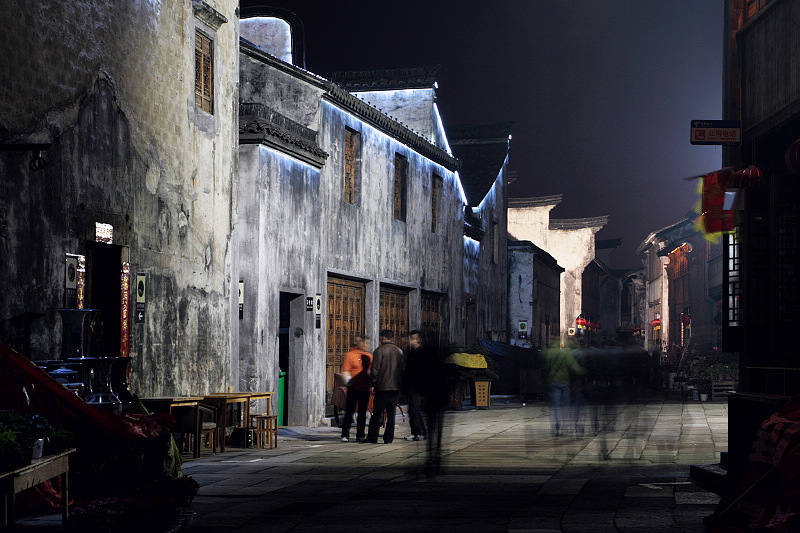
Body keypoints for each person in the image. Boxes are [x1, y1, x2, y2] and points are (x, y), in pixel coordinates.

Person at [364, 330, 404, 444]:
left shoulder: (379, 351)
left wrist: (373, 383)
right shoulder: (399, 351)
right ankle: (388, 438)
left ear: (382, 338)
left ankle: (373, 437)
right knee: (391, 414)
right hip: (395, 387)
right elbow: (402, 370)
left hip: (382, 387)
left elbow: (375, 370)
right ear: (392, 338)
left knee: (377, 413)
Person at [543, 337, 584, 437]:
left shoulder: (549, 353)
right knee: (565, 405)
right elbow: (574, 367)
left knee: (555, 405)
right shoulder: (565, 354)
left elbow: (546, 366)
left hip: (553, 382)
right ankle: (566, 426)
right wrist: (584, 372)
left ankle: (557, 425)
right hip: (564, 381)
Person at [340, 336, 373, 442]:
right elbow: (346, 370)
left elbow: (372, 370)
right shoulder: (350, 355)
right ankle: (345, 434)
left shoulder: (369, 356)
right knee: (350, 411)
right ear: (360, 344)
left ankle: (360, 434)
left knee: (362, 412)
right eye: (364, 344)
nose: (366, 346)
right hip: (353, 386)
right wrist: (348, 383)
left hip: (365, 387)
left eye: (368, 344)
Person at [403, 330, 429, 441]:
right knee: (411, 410)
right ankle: (414, 432)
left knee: (415, 409)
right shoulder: (410, 352)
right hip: (410, 384)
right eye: (411, 339)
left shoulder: (423, 352)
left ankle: (421, 432)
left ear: (419, 339)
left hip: (418, 385)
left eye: (415, 338)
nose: (413, 341)